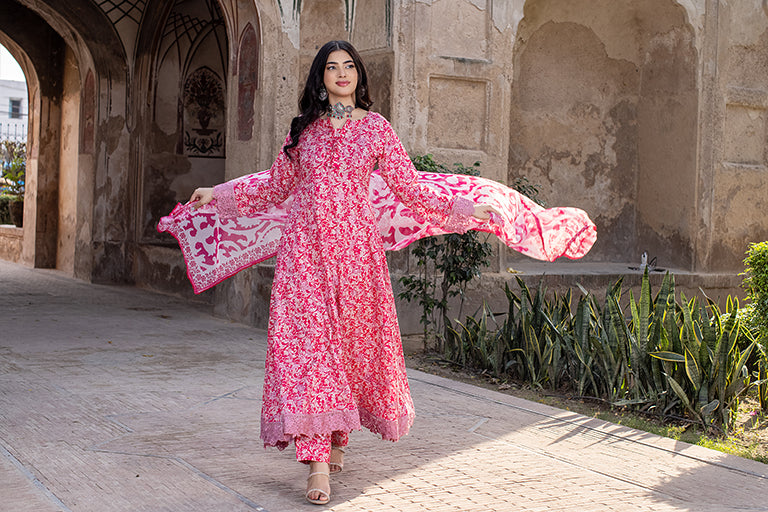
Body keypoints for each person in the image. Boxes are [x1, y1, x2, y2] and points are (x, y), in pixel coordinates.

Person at [159, 40, 596, 505]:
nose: (341, 74)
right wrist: (220, 194)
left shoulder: (376, 131)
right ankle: (317, 467)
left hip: (356, 258)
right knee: (310, 356)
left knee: (347, 350)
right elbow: (273, 186)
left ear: (359, 76)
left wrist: (469, 208)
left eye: (349, 66)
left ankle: (337, 437)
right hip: (304, 257)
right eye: (332, 67)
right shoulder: (303, 132)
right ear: (320, 78)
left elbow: (411, 189)